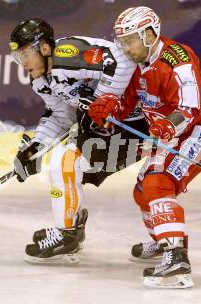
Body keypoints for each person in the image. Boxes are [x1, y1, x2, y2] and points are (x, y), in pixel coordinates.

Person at [88, 7, 201, 288]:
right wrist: (110, 108)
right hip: (176, 134)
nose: (126, 48)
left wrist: (169, 125)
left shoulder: (178, 58)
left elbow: (190, 105)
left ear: (149, 34)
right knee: (142, 192)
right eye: (122, 42)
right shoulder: (138, 63)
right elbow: (130, 102)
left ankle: (177, 260)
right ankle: (167, 243)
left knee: (157, 183)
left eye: (130, 41)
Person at [9, 19, 148, 263]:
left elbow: (123, 60)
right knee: (65, 163)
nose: (23, 63)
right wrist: (35, 147)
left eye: (25, 54)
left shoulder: (67, 54)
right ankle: (70, 226)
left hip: (140, 125)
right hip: (112, 129)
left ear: (43, 48)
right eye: (17, 56)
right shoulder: (42, 80)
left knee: (64, 162)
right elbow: (62, 116)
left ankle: (67, 233)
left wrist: (102, 99)